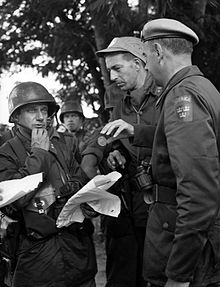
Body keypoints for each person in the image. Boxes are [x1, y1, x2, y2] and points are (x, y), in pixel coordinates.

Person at [140, 18, 220, 287]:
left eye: (145, 56)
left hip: (187, 249)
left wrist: (178, 274)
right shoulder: (204, 88)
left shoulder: (182, 96)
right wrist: (135, 132)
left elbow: (198, 191)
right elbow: (180, 141)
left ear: (158, 52)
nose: (146, 66)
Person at [0, 82, 97, 287]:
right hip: (37, 256)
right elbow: (15, 200)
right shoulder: (6, 152)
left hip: (76, 248)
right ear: (16, 117)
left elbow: (81, 179)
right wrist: (39, 154)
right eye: (31, 110)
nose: (40, 116)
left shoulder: (62, 144)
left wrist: (86, 199)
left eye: (44, 110)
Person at [82, 36, 159, 287]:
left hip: (165, 198)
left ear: (138, 63)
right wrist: (105, 149)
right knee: (126, 272)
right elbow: (109, 131)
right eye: (109, 70)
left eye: (117, 68)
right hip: (129, 197)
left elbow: (179, 135)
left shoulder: (168, 92)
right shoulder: (117, 98)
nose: (112, 77)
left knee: (161, 273)